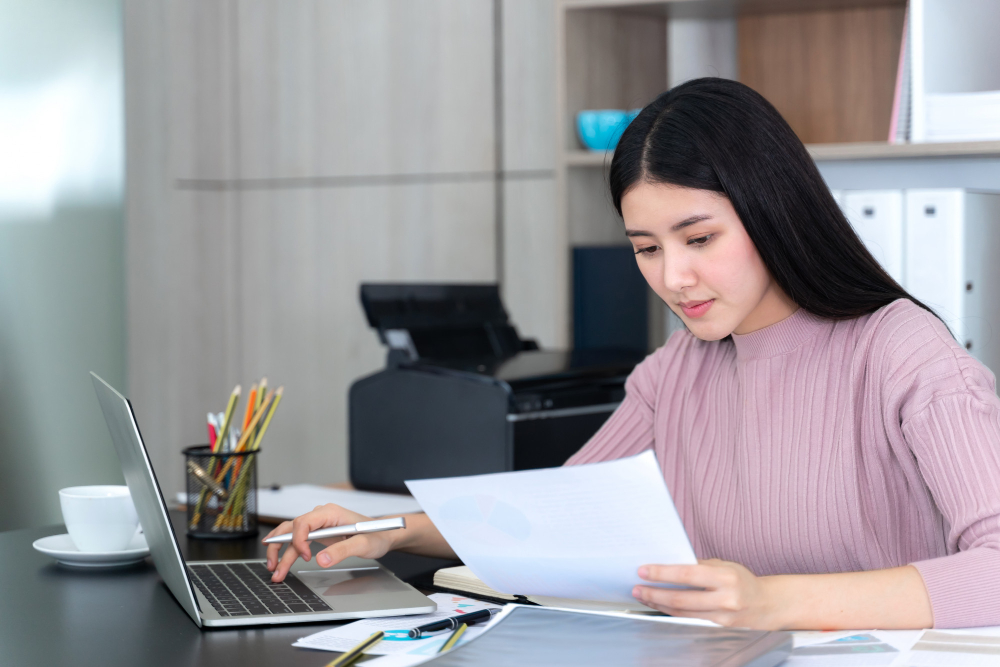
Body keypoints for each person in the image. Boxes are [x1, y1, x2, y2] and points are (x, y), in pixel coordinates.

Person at [264, 78, 1000, 630]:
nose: (673, 278)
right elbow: (558, 514)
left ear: (774, 208)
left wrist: (773, 600)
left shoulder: (903, 352)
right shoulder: (675, 371)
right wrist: (388, 531)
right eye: (647, 248)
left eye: (699, 238)